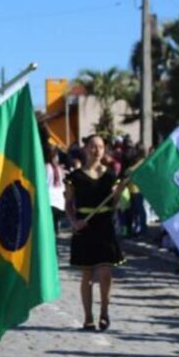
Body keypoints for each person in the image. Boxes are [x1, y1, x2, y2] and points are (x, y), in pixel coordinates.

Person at [66, 135, 127, 332]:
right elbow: (68, 204)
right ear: (85, 149)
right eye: (93, 146)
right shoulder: (74, 177)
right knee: (87, 275)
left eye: (100, 147)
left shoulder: (110, 175)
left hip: (105, 226)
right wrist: (74, 221)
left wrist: (120, 190)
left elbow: (114, 203)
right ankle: (88, 317)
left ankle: (104, 312)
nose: (97, 150)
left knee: (105, 273)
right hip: (85, 227)